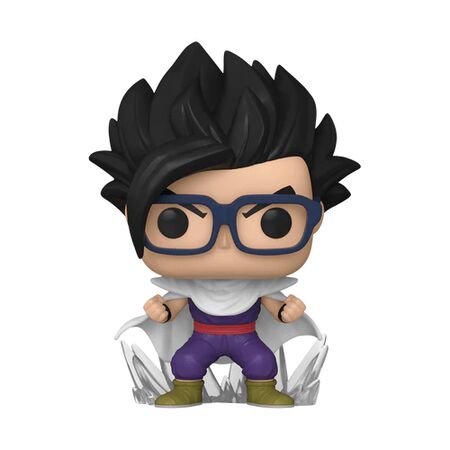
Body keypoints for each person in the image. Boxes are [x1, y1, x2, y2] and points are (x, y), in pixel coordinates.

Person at [90, 42, 360, 407]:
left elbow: (276, 307)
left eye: (273, 221)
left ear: (316, 218)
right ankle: (186, 388)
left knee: (261, 362)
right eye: (175, 222)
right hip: (201, 336)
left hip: (247, 336)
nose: (224, 241)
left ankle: (262, 388)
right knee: (186, 361)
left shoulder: (259, 286)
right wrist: (161, 311)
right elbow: (172, 307)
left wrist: (287, 312)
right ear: (132, 217)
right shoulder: (189, 286)